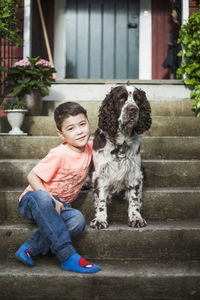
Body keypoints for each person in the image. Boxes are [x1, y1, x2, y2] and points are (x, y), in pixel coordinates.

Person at [15, 101, 101, 274]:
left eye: (82, 124)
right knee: (43, 197)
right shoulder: (59, 153)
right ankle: (67, 255)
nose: (79, 131)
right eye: (70, 128)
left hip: (61, 207)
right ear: (60, 134)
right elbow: (32, 176)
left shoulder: (92, 148)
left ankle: (29, 248)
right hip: (34, 201)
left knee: (77, 220)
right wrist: (51, 198)